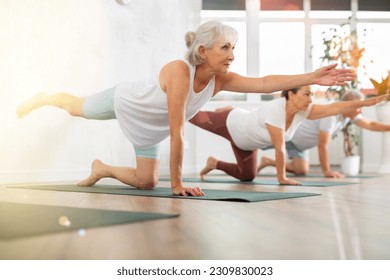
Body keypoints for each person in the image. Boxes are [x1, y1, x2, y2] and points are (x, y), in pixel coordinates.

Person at [16, 21, 357, 196]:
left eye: (234, 47)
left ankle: (101, 168)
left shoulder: (221, 79)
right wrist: (177, 183)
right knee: (76, 108)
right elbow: (178, 129)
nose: (232, 55)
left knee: (147, 183)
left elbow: (266, 82)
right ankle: (44, 97)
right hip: (127, 102)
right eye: (225, 47)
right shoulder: (180, 71)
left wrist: (313, 75)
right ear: (204, 50)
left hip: (149, 129)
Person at [189, 87, 388, 185]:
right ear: (291, 95)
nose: (310, 99)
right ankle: (169, 102)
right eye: (306, 94)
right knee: (190, 115)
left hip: (246, 143)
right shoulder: (277, 110)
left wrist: (366, 104)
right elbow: (280, 147)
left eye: (311, 95)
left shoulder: (305, 111)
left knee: (247, 176)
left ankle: (214, 163)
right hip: (231, 122)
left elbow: (337, 107)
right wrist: (282, 178)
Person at [258, 90, 390, 178]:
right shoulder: (331, 116)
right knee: (255, 143)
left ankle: (268, 161)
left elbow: (371, 125)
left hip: (300, 146)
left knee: (302, 171)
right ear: (347, 105)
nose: (360, 110)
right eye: (358, 106)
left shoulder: (350, 115)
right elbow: (322, 144)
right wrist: (327, 171)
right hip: (290, 135)